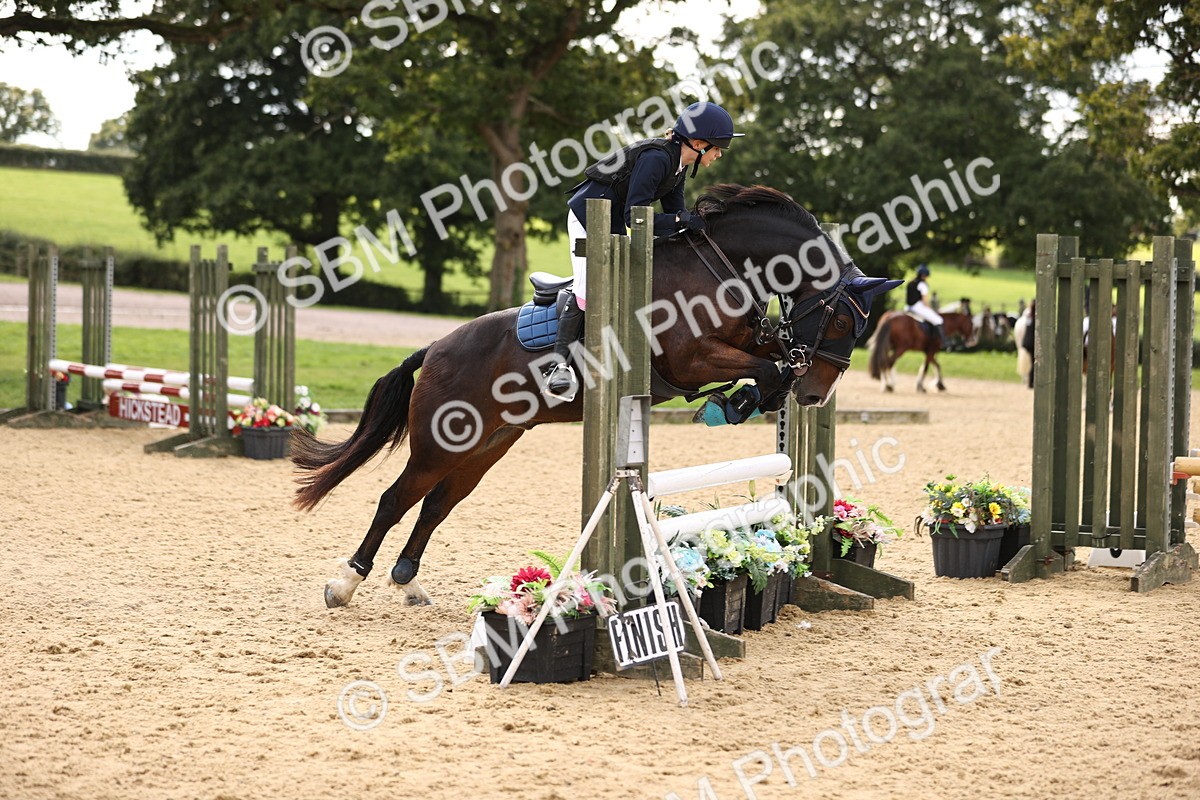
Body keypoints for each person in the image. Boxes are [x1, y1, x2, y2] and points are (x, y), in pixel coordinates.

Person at [540, 101, 744, 401]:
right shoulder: (657, 158)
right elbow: (635, 216)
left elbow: (674, 217)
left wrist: (700, 222)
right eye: (717, 148)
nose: (719, 154)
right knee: (591, 289)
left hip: (612, 221)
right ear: (699, 144)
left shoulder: (678, 167)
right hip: (588, 217)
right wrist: (681, 220)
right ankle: (556, 368)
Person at [904, 264, 945, 347]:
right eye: (926, 276)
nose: (927, 278)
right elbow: (925, 301)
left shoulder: (910, 283)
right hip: (917, 307)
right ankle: (943, 342)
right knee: (938, 320)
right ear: (923, 275)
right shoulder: (922, 285)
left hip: (907, 307)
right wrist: (931, 309)